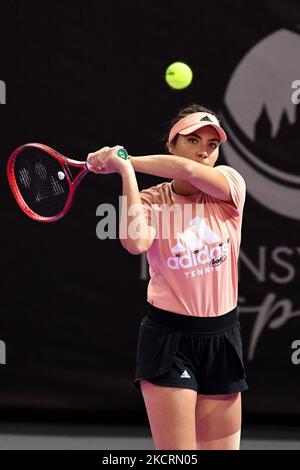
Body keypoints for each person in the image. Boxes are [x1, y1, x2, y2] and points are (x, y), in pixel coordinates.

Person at [87, 104, 248, 451]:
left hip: (222, 339)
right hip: (170, 341)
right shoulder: (150, 201)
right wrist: (125, 174)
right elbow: (135, 243)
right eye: (193, 140)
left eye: (212, 144)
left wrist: (126, 159)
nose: (205, 150)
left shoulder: (232, 187)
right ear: (171, 145)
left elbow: (187, 169)